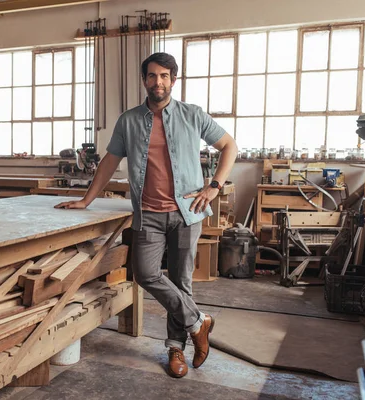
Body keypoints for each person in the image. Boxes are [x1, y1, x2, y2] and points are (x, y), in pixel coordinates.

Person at [55, 52, 238, 378]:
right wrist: (86, 199)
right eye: (152, 76)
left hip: (186, 213)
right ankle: (199, 322)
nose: (158, 82)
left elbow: (230, 146)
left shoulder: (192, 115)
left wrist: (214, 186)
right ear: (144, 80)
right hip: (148, 214)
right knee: (145, 273)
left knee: (182, 283)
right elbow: (109, 162)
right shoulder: (129, 120)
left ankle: (175, 349)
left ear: (174, 80)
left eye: (165, 76)